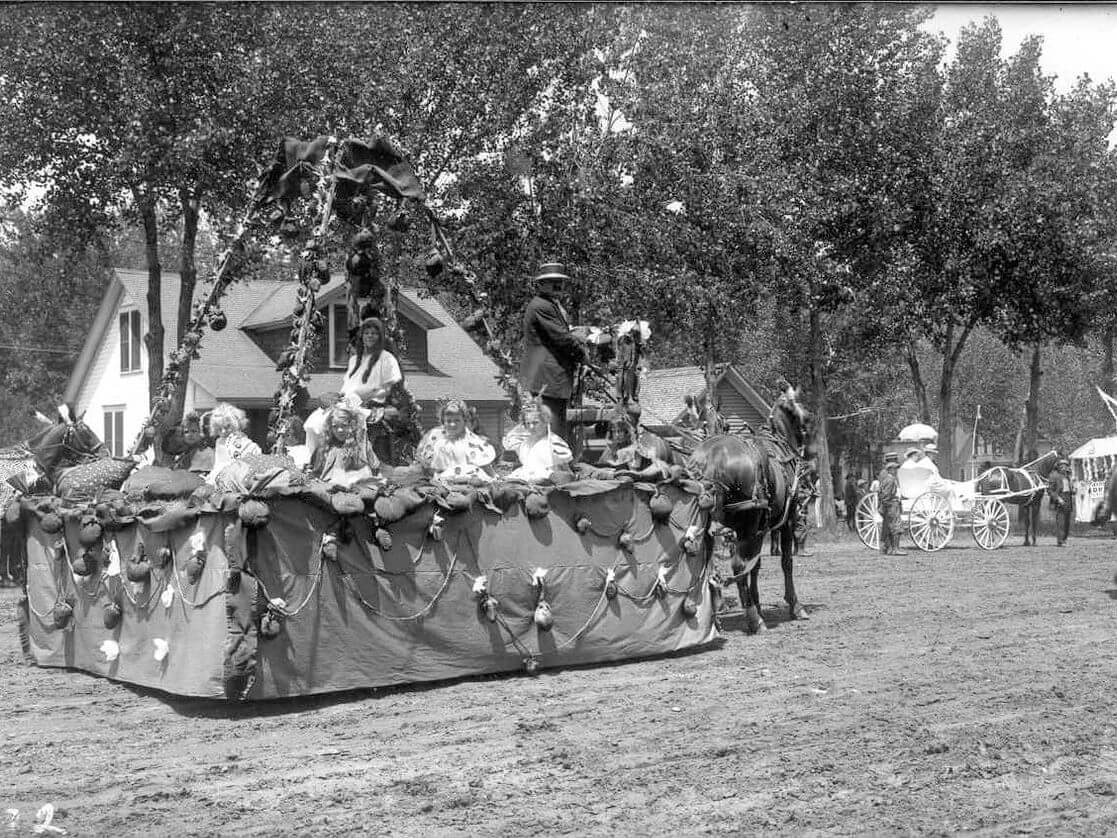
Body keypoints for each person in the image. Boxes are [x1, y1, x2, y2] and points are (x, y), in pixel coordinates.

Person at [305, 316, 403, 460]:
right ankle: (314, 462)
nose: (370, 336)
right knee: (312, 423)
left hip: (369, 403)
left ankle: (346, 462)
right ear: (362, 336)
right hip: (346, 402)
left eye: (374, 333)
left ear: (380, 337)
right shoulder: (355, 360)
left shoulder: (387, 358)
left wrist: (367, 395)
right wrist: (335, 397)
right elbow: (346, 388)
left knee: (336, 422)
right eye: (367, 333)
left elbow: (390, 387)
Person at [518, 262, 587, 443]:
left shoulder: (552, 305)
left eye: (560, 282)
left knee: (556, 426)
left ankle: (558, 464)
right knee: (552, 427)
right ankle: (554, 466)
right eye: (552, 282)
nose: (558, 285)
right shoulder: (542, 306)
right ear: (540, 285)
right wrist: (583, 355)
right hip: (547, 377)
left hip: (552, 378)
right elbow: (562, 338)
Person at [414, 397, 496, 483]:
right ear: (443, 422)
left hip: (471, 479)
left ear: (464, 421)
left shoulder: (472, 442)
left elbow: (485, 465)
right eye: (448, 421)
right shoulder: (439, 444)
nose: (452, 424)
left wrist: (494, 476)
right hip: (448, 481)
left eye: (457, 420)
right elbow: (434, 468)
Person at [308, 399, 381, 488]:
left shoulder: (361, 445)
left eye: (344, 425)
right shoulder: (324, 448)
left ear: (352, 425)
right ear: (330, 428)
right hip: (331, 487)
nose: (340, 430)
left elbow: (375, 468)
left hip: (359, 486)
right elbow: (314, 473)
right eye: (335, 427)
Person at [501, 402, 573, 483]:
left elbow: (565, 472)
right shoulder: (525, 443)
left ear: (546, 422)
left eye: (535, 423)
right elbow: (527, 467)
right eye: (528, 423)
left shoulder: (555, 442)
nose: (531, 427)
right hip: (526, 477)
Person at [206, 403, 261, 484]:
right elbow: (218, 463)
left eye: (227, 427)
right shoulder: (219, 441)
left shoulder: (248, 444)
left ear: (237, 424)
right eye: (219, 428)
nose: (223, 431)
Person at [877, 452, 907, 556]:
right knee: (896, 526)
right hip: (891, 505)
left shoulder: (884, 475)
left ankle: (888, 548)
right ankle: (895, 549)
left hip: (887, 505)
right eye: (894, 468)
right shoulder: (889, 478)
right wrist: (888, 504)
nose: (896, 470)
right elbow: (886, 494)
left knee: (888, 527)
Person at [1048, 458, 1074, 546]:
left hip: (1068, 498)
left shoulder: (1068, 477)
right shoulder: (1054, 476)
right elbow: (1050, 490)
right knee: (1061, 521)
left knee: (1067, 521)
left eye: (1066, 466)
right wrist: (1058, 498)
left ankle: (1065, 539)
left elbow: (1070, 489)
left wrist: (1074, 489)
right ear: (1058, 467)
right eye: (1062, 466)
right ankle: (1060, 541)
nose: (1064, 467)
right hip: (1060, 498)